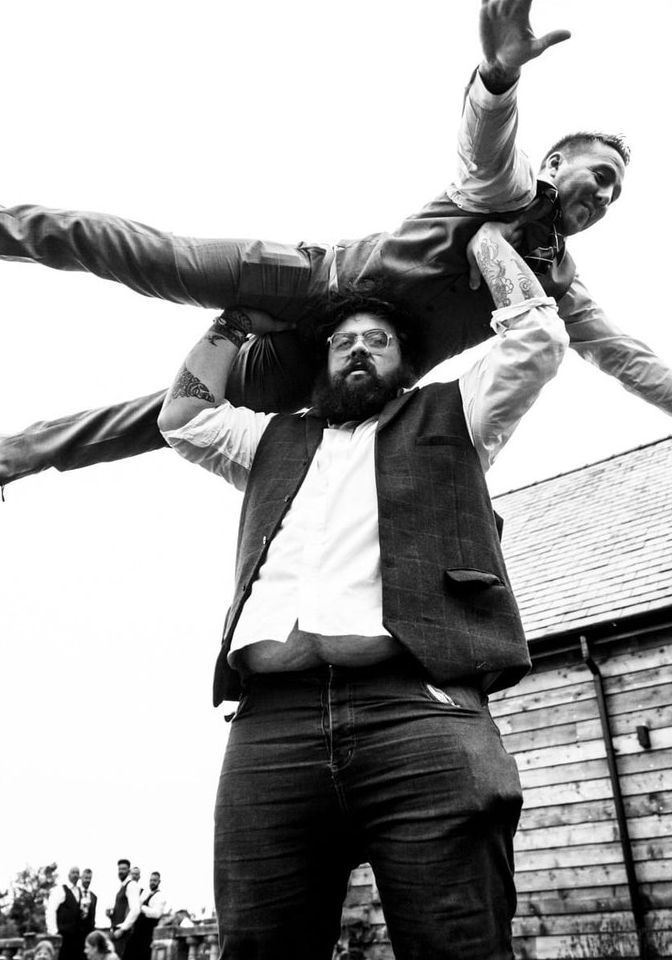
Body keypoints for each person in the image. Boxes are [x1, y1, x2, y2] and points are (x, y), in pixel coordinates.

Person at [0, 0, 672, 539]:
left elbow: (626, 357)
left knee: (173, 414)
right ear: (555, 166)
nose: (599, 192)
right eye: (592, 171)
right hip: (308, 283)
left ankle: (1, 453)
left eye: (614, 189)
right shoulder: (503, 186)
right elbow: (485, 133)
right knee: (149, 257)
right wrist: (499, 74)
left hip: (333, 360)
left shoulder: (556, 286)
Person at [156, 219, 562, 957]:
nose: (357, 350)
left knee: (458, 946)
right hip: (268, 730)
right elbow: (181, 418)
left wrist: (482, 242)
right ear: (322, 362)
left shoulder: (454, 415)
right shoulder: (273, 441)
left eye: (378, 341)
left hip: (416, 712)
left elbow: (535, 341)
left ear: (406, 362)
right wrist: (233, 324)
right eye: (344, 341)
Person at [46, 865, 97, 957]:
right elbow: (50, 911)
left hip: (77, 937)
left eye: (77, 873)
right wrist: (54, 932)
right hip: (63, 934)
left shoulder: (80, 892)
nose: (75, 875)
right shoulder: (60, 889)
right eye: (73, 872)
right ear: (68, 875)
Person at [124, 871, 166, 960]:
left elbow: (157, 914)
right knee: (129, 952)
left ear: (159, 882)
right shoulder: (145, 893)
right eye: (151, 880)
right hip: (137, 930)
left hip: (148, 933)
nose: (152, 882)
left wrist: (142, 908)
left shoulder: (160, 896)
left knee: (143, 955)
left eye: (155, 880)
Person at [107, 858, 142, 952]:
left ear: (129, 871)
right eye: (119, 869)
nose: (121, 871)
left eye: (124, 869)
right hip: (116, 930)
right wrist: (111, 914)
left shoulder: (131, 885)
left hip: (123, 933)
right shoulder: (122, 886)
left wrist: (122, 929)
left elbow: (135, 909)